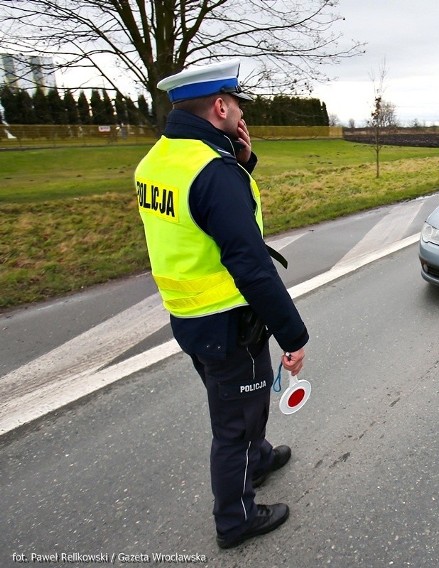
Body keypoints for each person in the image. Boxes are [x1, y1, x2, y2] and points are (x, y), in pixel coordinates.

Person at [135, 60, 309, 549]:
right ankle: (236, 520)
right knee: (234, 424)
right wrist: (294, 337)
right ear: (219, 106)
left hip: (188, 315)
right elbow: (250, 264)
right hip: (229, 319)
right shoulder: (214, 172)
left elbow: (197, 219)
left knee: (243, 407)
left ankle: (259, 454)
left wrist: (240, 164)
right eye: (235, 104)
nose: (239, 113)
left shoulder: (158, 161)